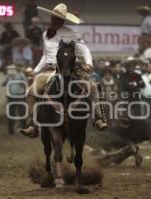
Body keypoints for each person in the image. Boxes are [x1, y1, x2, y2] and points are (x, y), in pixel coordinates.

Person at [20, 3, 107, 138]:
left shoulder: (72, 34)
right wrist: (36, 70)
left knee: (93, 87)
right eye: (52, 18)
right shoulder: (45, 35)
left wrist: (89, 64)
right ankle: (31, 125)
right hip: (50, 70)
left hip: (70, 69)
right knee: (31, 91)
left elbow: (85, 50)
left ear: (62, 20)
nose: (53, 21)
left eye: (56, 19)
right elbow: (45, 55)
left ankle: (99, 119)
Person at [2, 65, 27, 135]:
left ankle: (24, 129)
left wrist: (21, 73)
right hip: (11, 97)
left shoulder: (20, 75)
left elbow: (25, 82)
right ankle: (11, 130)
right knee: (11, 114)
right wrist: (7, 76)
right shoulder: (8, 76)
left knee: (22, 113)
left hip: (20, 96)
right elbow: (2, 84)